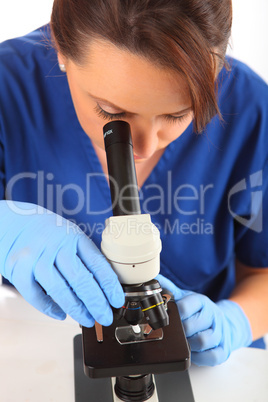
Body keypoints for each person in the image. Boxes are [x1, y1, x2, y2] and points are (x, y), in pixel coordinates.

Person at [0, 0, 267, 367]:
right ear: (61, 48)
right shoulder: (8, 85)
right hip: (32, 360)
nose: (144, 146)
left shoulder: (251, 109)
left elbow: (262, 272)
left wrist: (235, 322)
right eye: (111, 112)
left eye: (177, 114)